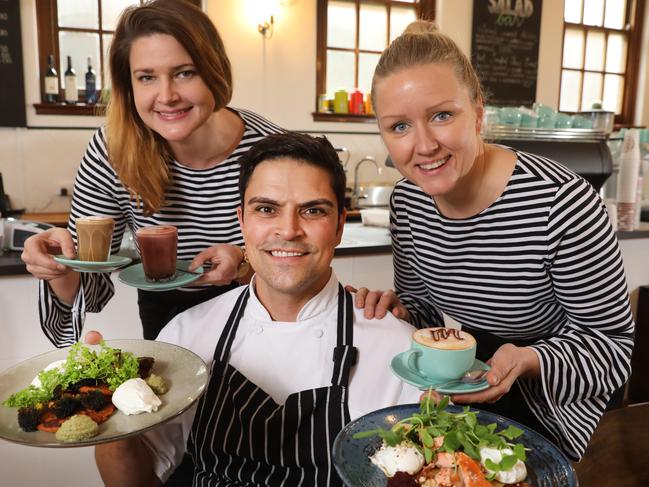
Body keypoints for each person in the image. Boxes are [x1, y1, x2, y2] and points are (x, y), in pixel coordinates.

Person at [350, 21, 635, 461]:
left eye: (442, 115)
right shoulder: (408, 202)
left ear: (479, 111)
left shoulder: (561, 202)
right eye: (399, 126)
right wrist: (398, 309)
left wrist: (528, 361)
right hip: (467, 383)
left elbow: (612, 351)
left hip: (552, 407)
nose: (423, 145)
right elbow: (425, 310)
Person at [93, 132, 422, 487]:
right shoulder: (186, 335)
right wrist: (110, 412)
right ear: (242, 220)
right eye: (266, 209)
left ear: (340, 225)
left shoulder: (398, 350)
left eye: (313, 211)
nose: (288, 230)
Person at [21, 0, 283, 346]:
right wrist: (57, 264)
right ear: (129, 88)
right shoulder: (112, 152)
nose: (167, 96)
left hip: (267, 318)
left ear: (214, 71)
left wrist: (246, 262)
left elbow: (302, 259)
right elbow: (88, 287)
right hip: (167, 323)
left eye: (184, 72)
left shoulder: (271, 150)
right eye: (147, 77)